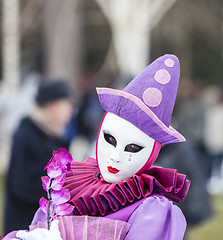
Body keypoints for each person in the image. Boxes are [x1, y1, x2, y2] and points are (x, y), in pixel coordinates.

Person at [3, 55, 190, 240]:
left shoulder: (151, 210)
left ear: (152, 153)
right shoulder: (74, 186)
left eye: (133, 148)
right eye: (110, 139)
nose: (116, 156)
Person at [3, 79, 74, 235]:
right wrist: (62, 190)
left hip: (40, 226)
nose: (71, 110)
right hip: (24, 227)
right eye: (67, 104)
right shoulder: (27, 136)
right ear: (53, 106)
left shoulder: (51, 134)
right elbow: (23, 186)